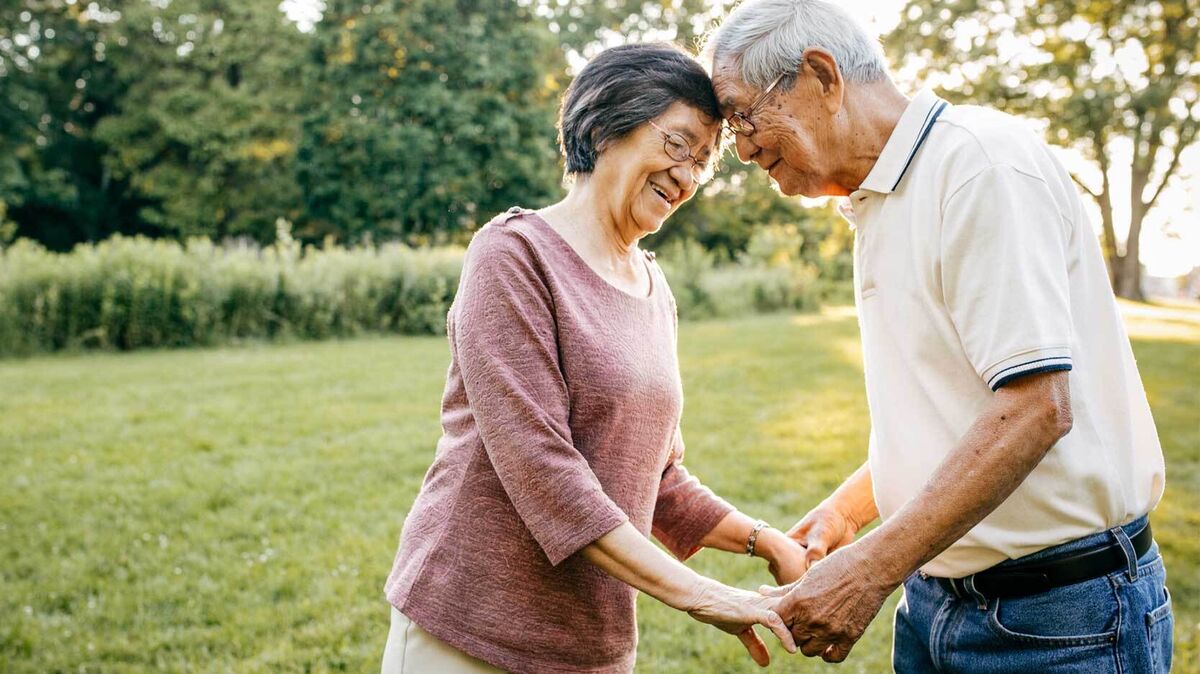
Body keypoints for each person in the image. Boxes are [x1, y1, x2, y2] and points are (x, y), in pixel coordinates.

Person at [704, 1, 1172, 671]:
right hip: (937, 604)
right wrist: (847, 513)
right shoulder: (878, 200)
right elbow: (962, 405)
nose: (743, 147)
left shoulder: (980, 167)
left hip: (1062, 620)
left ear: (821, 77)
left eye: (744, 116)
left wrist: (870, 571)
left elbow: (1036, 408)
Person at [381, 43, 803, 674]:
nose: (688, 176)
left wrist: (763, 540)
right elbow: (542, 468)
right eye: (679, 144)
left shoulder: (654, 289)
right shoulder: (513, 255)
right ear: (605, 124)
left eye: (705, 161)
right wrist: (704, 595)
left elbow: (654, 477)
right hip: (469, 631)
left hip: (590, 643)